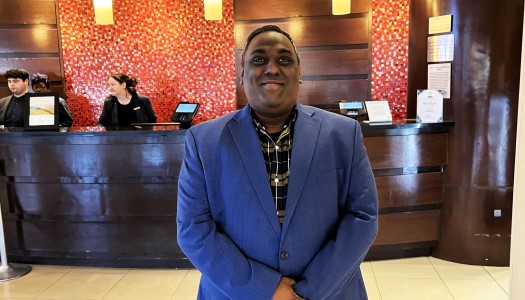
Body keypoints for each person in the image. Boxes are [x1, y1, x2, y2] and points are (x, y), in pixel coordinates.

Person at [177, 25, 378, 299]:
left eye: (284, 60)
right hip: (235, 292)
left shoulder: (344, 134)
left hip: (330, 292)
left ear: (299, 72)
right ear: (242, 74)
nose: (272, 68)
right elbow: (193, 227)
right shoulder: (203, 141)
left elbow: (362, 216)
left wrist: (308, 291)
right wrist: (265, 288)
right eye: (258, 60)